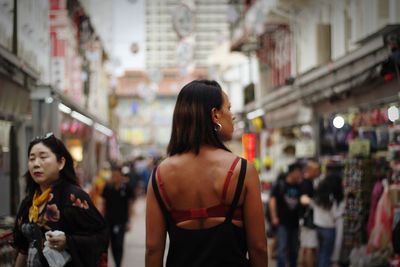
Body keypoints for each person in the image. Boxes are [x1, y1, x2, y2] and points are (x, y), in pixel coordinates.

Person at [145, 80, 268, 267]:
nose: (232, 116)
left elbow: (153, 249)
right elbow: (258, 247)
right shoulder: (242, 171)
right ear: (215, 115)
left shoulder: (160, 175)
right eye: (228, 107)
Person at [12, 133, 108, 267]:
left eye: (43, 157)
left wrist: (68, 242)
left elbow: (101, 237)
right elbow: (23, 248)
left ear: (61, 162)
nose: (36, 164)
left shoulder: (73, 197)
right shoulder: (29, 202)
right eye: (32, 158)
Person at [301, 174, 345, 267]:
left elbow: (312, 204)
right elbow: (336, 215)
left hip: (318, 227)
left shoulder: (319, 196)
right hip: (329, 229)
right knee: (325, 255)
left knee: (321, 253)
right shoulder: (334, 198)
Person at [269, 162, 303, 267]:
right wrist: (274, 217)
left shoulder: (299, 186)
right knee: (282, 247)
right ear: (291, 173)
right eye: (298, 172)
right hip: (282, 221)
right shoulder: (281, 185)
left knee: (294, 248)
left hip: (295, 222)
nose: (300, 174)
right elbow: (272, 201)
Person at [101, 163, 134, 267]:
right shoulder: (107, 187)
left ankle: (118, 264)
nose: (114, 177)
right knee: (107, 245)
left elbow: (129, 205)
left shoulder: (126, 187)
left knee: (119, 244)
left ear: (121, 176)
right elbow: (103, 204)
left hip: (121, 221)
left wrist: (129, 221)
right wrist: (101, 219)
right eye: (113, 175)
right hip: (108, 220)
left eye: (116, 175)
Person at [298, 160, 320, 267]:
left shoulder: (307, 182)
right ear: (310, 170)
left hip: (305, 220)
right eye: (316, 170)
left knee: (305, 246)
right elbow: (303, 199)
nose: (317, 173)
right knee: (310, 247)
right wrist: (315, 203)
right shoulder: (306, 183)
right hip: (308, 221)